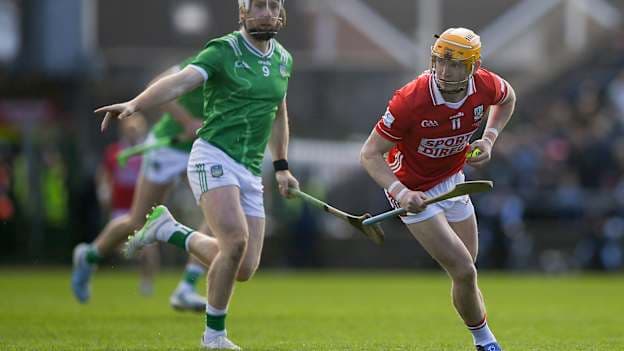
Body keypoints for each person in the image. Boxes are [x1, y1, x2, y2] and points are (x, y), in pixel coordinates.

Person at [95, 0, 298, 349]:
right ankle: (214, 337)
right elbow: (178, 83)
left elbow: (278, 112)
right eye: (258, 6)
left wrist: (281, 166)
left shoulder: (283, 60)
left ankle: (168, 229)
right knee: (234, 242)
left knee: (244, 267)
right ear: (243, 13)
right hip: (213, 156)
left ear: (281, 14)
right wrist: (136, 104)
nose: (266, 12)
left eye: (272, 6)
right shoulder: (223, 50)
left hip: (250, 169)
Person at [360, 28, 516, 351]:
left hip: (453, 182)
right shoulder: (411, 100)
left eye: (456, 64)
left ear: (473, 66)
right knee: (463, 268)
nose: (445, 71)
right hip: (412, 190)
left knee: (467, 269)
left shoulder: (484, 85)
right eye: (440, 62)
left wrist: (488, 139)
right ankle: (485, 342)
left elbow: (508, 98)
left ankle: (478, 331)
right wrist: (400, 192)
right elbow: (369, 154)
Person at [72, 60, 210, 312]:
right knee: (137, 221)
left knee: (216, 214)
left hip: (199, 151)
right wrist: (188, 121)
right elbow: (155, 86)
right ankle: (89, 256)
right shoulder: (205, 60)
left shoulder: (244, 73)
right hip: (167, 149)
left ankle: (187, 287)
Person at [95, 114, 161, 296]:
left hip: (142, 206)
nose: (133, 133)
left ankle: (147, 282)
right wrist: (103, 190)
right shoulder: (115, 151)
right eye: (130, 130)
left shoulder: (149, 150)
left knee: (150, 248)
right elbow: (104, 173)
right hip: (120, 208)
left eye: (137, 130)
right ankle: (89, 264)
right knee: (115, 245)